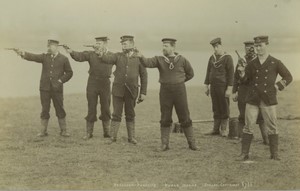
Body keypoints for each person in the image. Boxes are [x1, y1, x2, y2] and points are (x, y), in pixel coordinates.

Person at [137, 38, 198, 151]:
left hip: (180, 91)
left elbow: (191, 74)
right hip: (165, 91)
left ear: (173, 47)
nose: (163, 48)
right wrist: (141, 56)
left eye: (166, 46)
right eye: (163, 45)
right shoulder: (159, 59)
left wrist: (179, 80)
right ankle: (165, 144)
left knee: (184, 116)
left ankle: (192, 144)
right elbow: (147, 63)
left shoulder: (182, 59)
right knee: (165, 117)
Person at [239, 35, 293, 161]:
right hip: (253, 99)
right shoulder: (251, 64)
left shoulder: (275, 62)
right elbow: (245, 81)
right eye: (256, 46)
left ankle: (274, 154)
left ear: (266, 45)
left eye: (260, 46)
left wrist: (278, 86)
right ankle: (244, 153)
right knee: (248, 126)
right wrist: (241, 73)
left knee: (272, 126)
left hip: (268, 99)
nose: (258, 48)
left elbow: (288, 77)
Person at [13, 39, 73, 137]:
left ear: (56, 46)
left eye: (50, 46)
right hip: (44, 89)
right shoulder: (44, 57)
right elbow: (33, 57)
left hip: (57, 89)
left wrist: (60, 81)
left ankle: (64, 131)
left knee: (60, 109)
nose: (48, 48)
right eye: (48, 46)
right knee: (45, 109)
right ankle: (43, 131)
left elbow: (70, 73)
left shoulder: (64, 59)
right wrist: (22, 53)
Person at [100, 35, 148, 144]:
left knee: (130, 113)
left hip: (132, 91)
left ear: (132, 44)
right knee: (116, 114)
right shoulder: (118, 56)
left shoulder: (139, 58)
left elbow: (144, 76)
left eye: (125, 43)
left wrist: (143, 92)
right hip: (118, 90)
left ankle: (131, 138)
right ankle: (113, 137)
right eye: (122, 43)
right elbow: (106, 59)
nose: (123, 45)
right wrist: (100, 52)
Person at [63, 37, 113, 140]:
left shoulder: (111, 55)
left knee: (106, 107)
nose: (97, 45)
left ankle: (107, 132)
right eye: (96, 43)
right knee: (91, 107)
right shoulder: (91, 54)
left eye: (99, 43)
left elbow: (120, 64)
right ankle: (89, 133)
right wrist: (71, 51)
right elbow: (79, 56)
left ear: (105, 44)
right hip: (92, 83)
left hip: (105, 83)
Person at [232, 41, 268, 145]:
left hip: (257, 91)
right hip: (243, 92)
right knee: (242, 116)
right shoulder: (241, 61)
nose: (249, 49)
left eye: (251, 47)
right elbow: (236, 77)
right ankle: (241, 138)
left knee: (261, 117)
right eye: (246, 47)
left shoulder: (260, 60)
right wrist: (234, 92)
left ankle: (266, 139)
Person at [204, 38, 234, 137]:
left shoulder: (227, 58)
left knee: (224, 107)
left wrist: (229, 88)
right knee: (215, 106)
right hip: (213, 87)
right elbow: (208, 72)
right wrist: (206, 85)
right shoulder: (212, 58)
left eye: (217, 46)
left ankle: (224, 129)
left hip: (223, 87)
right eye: (214, 47)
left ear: (221, 45)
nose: (215, 49)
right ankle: (215, 129)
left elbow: (231, 75)